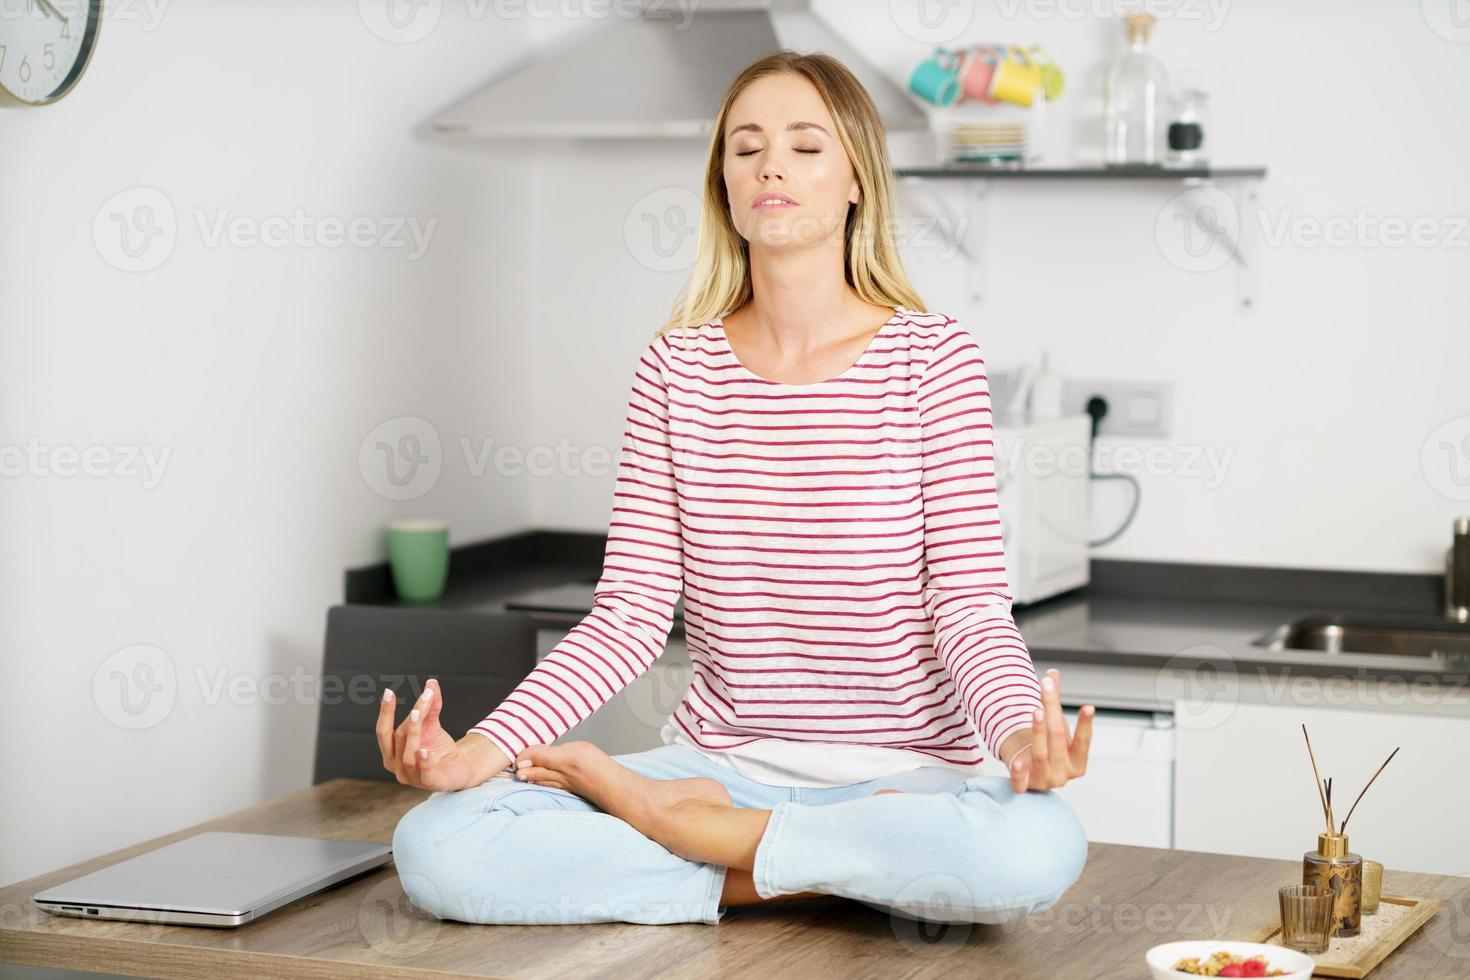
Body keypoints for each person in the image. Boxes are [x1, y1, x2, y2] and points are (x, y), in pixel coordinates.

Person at [380, 50, 1093, 928]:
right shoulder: (677, 369)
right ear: (724, 184)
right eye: (746, 148)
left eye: (805, 146)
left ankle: (697, 839)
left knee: (1037, 848)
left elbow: (968, 604)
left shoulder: (931, 359)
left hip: (903, 781)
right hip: (720, 766)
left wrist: (1022, 733)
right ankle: (793, 863)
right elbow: (631, 614)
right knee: (438, 848)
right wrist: (483, 749)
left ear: (857, 179)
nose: (773, 167)